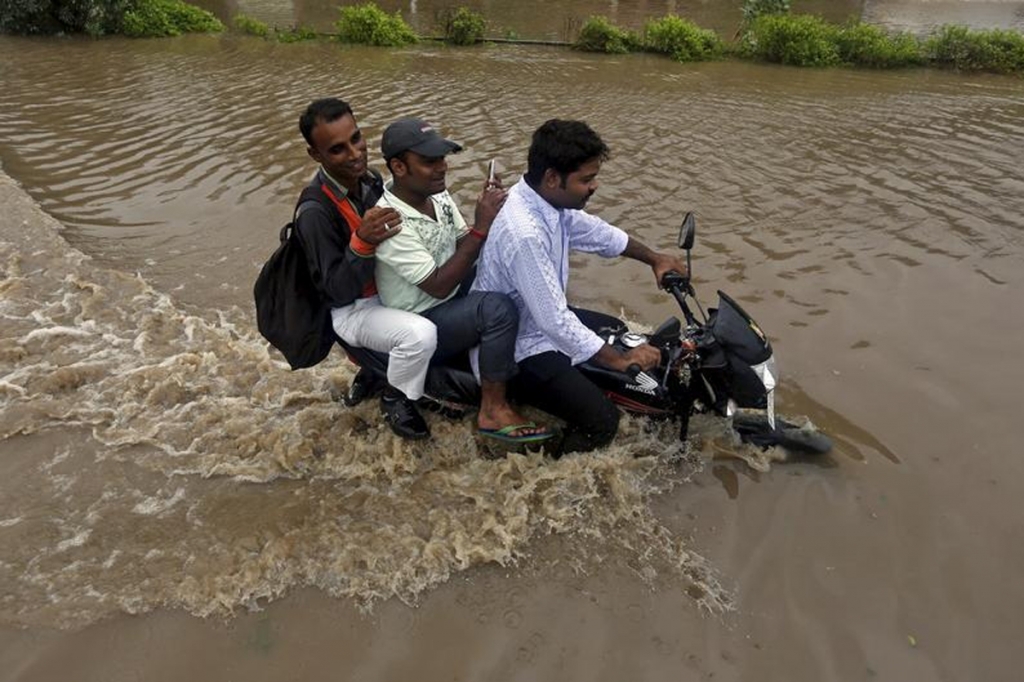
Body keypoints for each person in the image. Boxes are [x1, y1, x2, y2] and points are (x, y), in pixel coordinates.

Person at [471, 119, 688, 454]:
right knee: (602, 421)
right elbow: (554, 320)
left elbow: (597, 233)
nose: (594, 186)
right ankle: (546, 475)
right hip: (519, 346)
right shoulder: (524, 231)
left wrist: (654, 258)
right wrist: (618, 360)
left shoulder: (548, 202)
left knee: (613, 327)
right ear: (553, 178)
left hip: (534, 320)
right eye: (586, 179)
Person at [372, 118, 552, 445]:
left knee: (505, 274)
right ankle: (493, 410)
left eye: (442, 158)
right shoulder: (389, 220)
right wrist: (482, 227)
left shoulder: (436, 196)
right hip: (421, 317)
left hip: (448, 298)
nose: (442, 167)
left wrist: (493, 219)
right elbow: (438, 285)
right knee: (497, 308)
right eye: (429, 161)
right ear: (398, 167)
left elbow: (461, 243)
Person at [296, 98, 436, 440]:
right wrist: (361, 242)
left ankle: (374, 374)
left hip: (387, 289)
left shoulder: (370, 180)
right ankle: (395, 397)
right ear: (316, 155)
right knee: (421, 336)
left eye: (357, 139)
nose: (356, 154)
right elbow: (336, 292)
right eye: (338, 149)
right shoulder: (315, 212)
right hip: (354, 309)